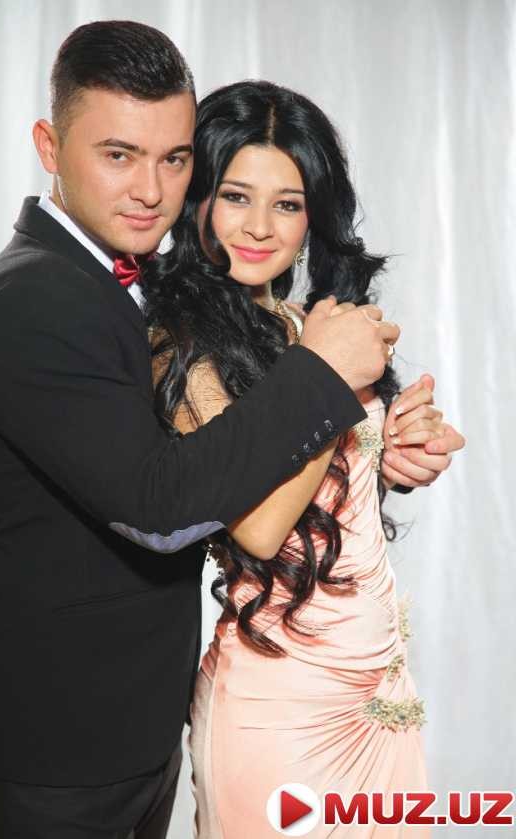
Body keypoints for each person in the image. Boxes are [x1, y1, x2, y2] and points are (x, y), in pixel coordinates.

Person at [0, 21, 406, 839]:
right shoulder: (30, 298)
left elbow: (219, 448)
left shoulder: (128, 281)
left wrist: (381, 446)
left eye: (174, 159)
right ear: (49, 146)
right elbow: (160, 507)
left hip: (139, 723)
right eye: (118, 154)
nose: (151, 190)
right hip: (59, 744)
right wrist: (324, 376)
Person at [145, 80, 465, 837]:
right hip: (278, 706)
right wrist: (334, 382)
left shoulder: (301, 322)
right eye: (235, 196)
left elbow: (332, 487)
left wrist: (398, 448)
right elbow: (259, 528)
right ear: (198, 200)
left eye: (286, 204)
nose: (260, 227)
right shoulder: (181, 343)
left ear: (313, 214)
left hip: (378, 691)